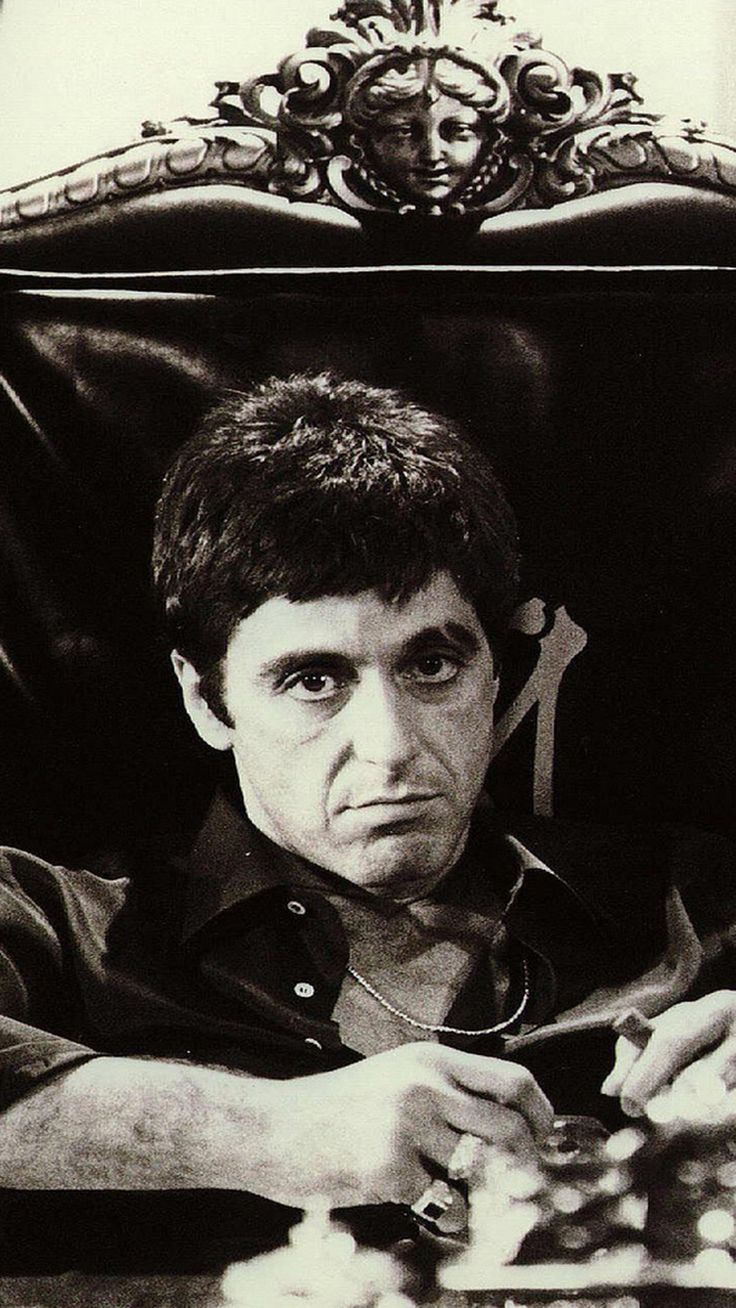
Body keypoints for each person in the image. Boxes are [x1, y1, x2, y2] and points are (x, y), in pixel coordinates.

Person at [0, 373, 733, 1253]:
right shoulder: (67, 925)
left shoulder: (696, 898)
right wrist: (267, 1132)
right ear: (206, 699)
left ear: (494, 674)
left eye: (432, 667)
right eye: (314, 680)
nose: (390, 748)